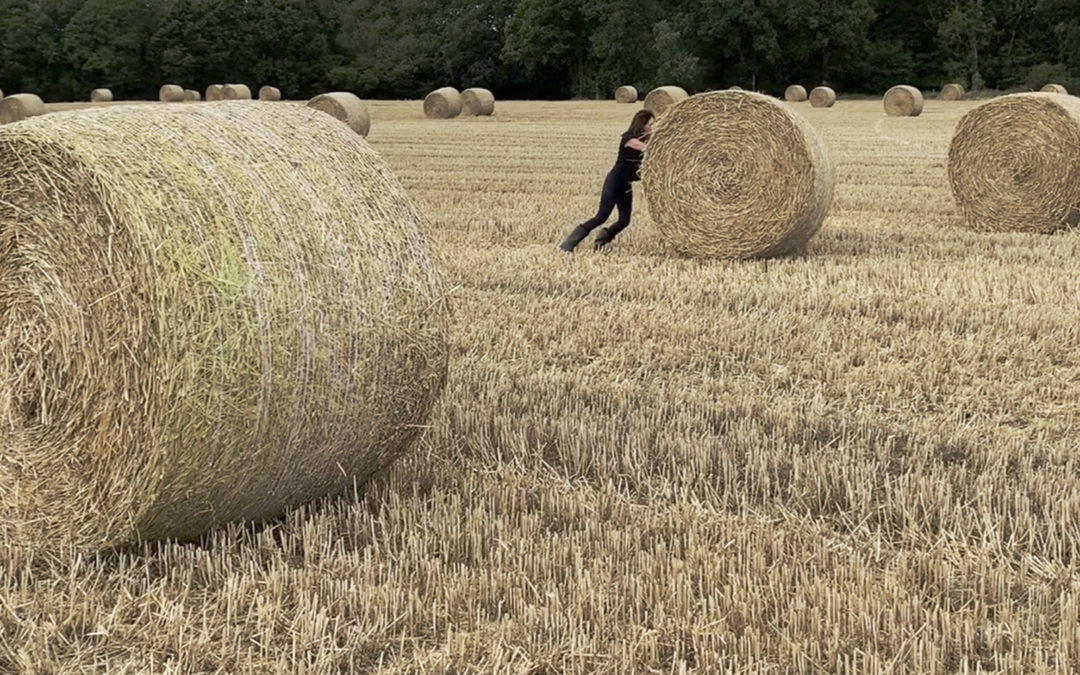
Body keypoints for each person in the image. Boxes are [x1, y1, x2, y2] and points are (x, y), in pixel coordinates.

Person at [558, 109, 654, 252]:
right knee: (601, 217)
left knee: (624, 221)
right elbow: (645, 148)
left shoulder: (644, 138)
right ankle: (568, 244)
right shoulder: (629, 139)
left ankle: (602, 240)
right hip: (614, 182)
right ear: (642, 124)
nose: (651, 128)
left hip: (625, 185)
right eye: (650, 125)